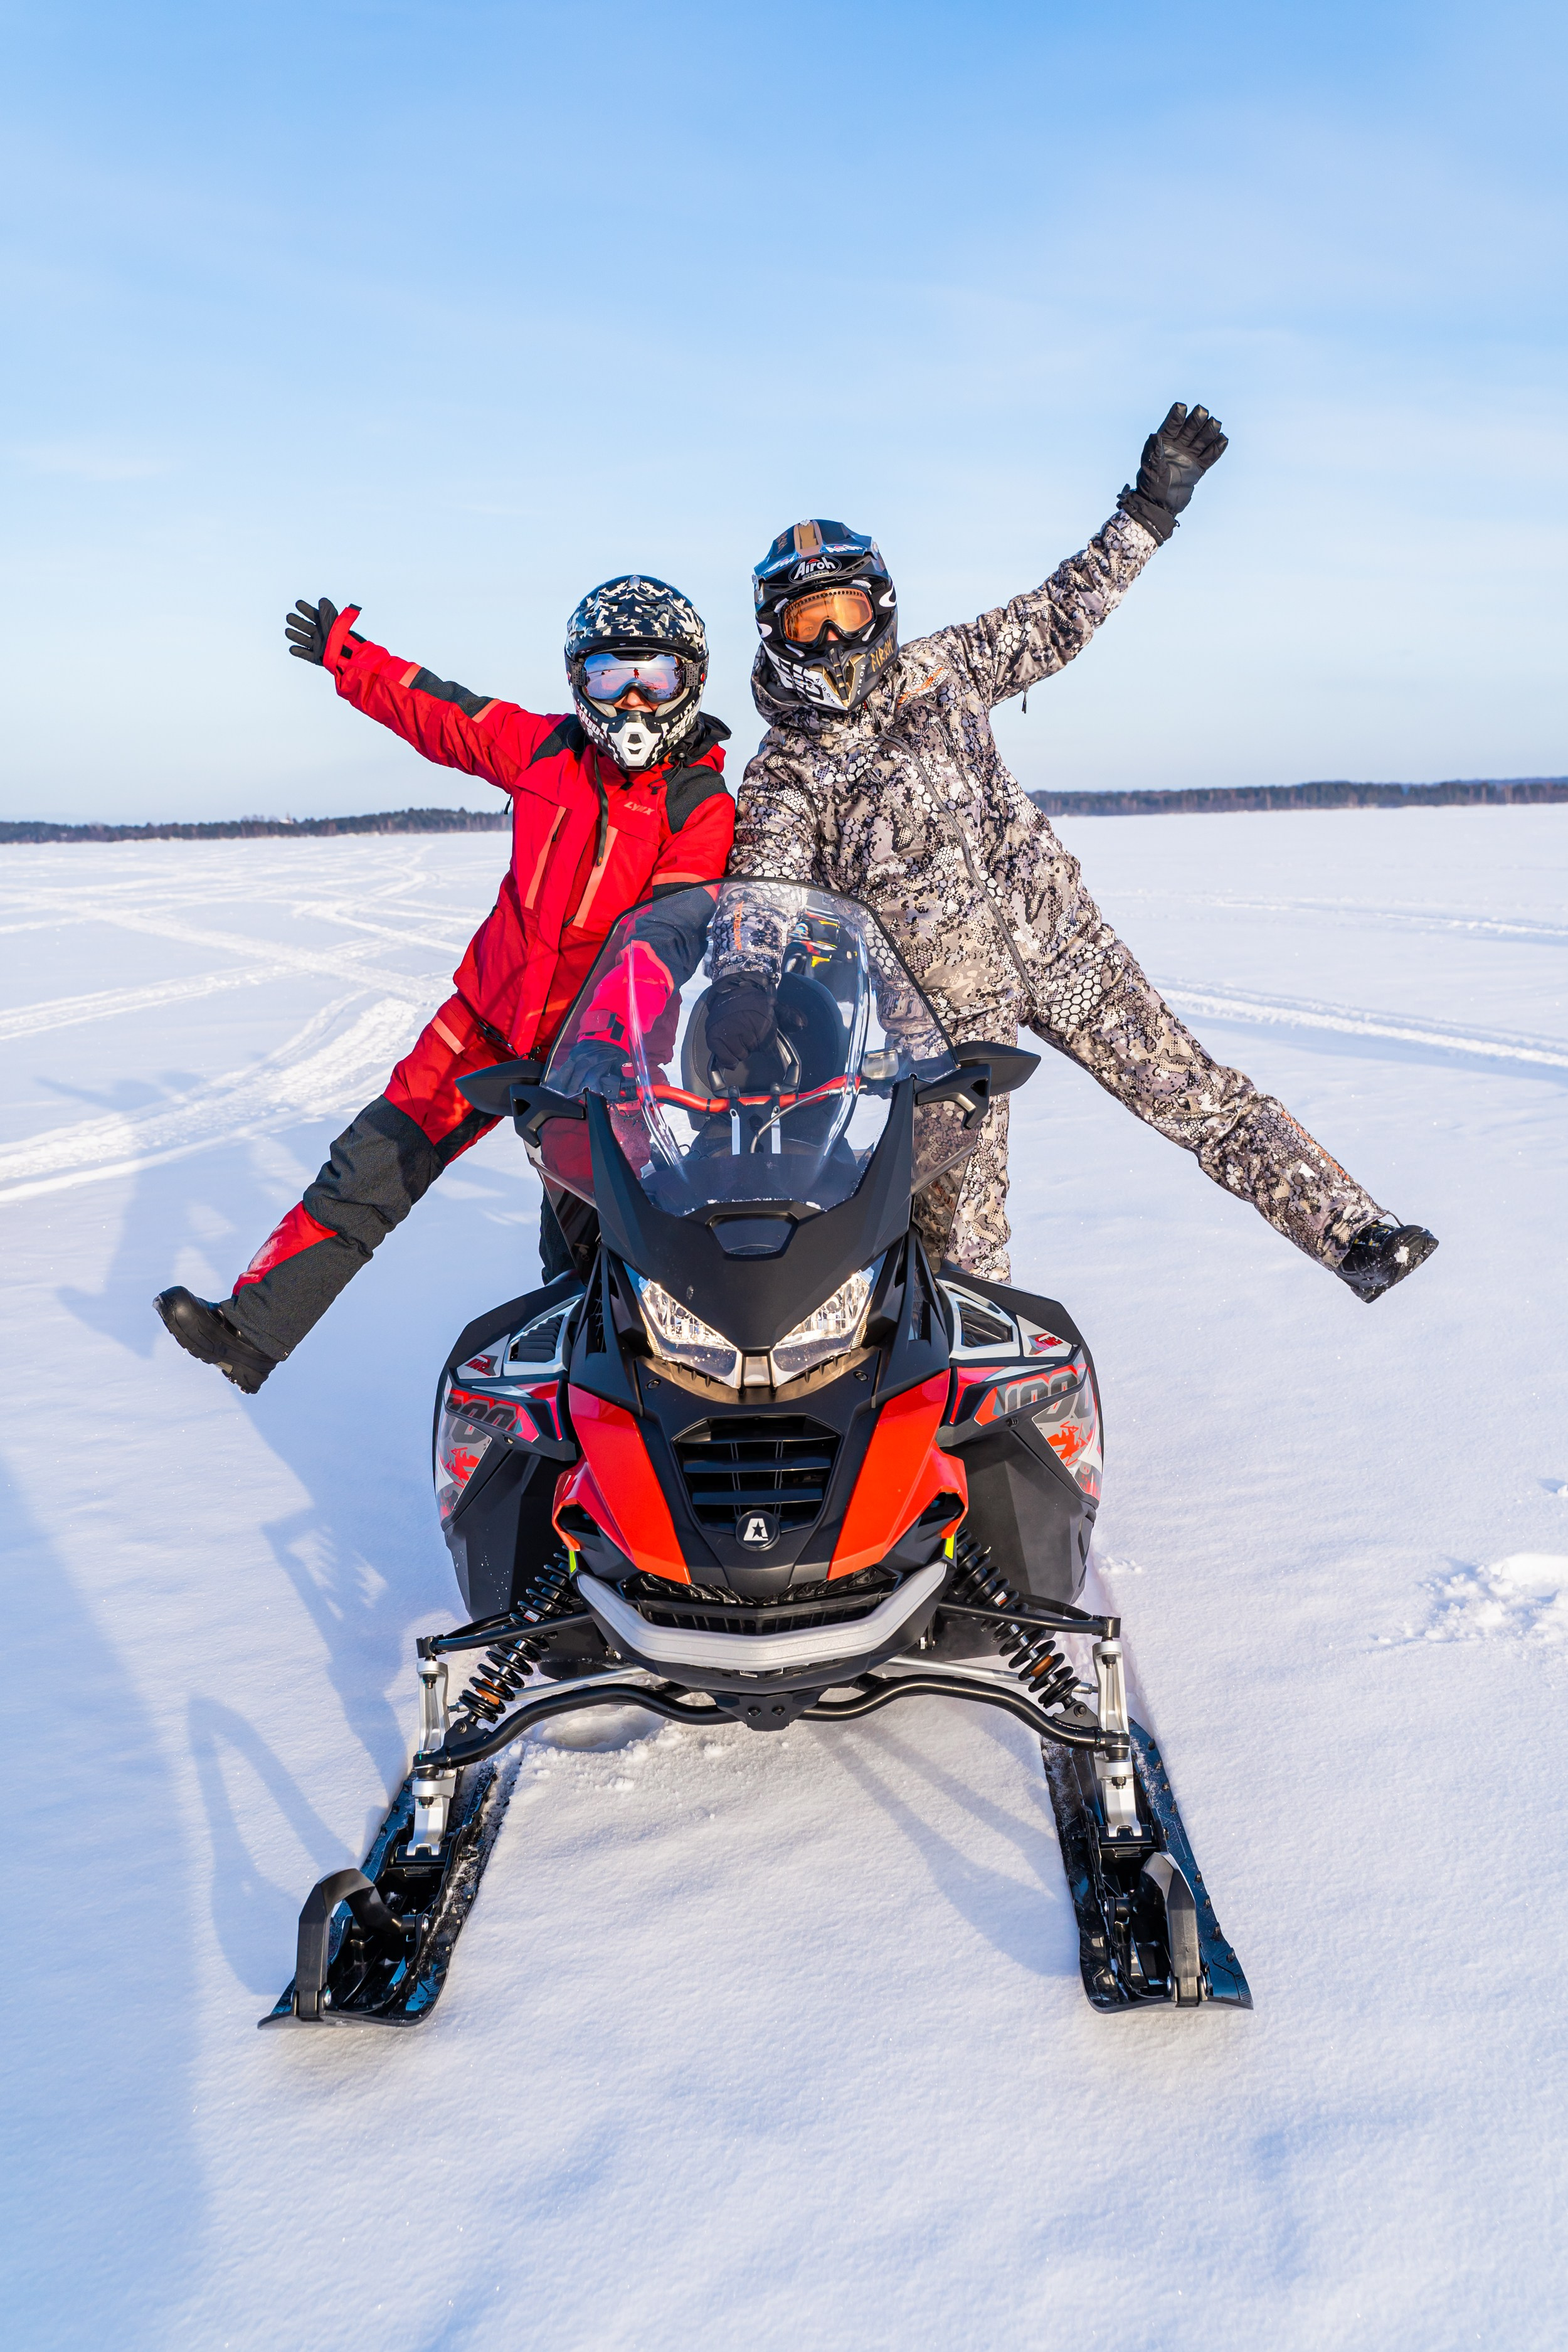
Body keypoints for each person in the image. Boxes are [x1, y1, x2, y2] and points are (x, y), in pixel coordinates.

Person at [706, 403, 1437, 1301]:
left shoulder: (945, 668)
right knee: (964, 1229)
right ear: (775, 633)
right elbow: (763, 894)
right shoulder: (784, 770)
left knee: (1195, 1090)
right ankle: (965, 1402)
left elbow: (1058, 615)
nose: (831, 639)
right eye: (807, 621)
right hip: (937, 1019)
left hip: (1060, 941)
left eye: (845, 611)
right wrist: (741, 986)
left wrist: (1149, 509)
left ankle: (1354, 1232)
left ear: (880, 608)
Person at [156, 576, 734, 1393]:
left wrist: (609, 1046)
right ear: (580, 682)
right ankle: (250, 1331)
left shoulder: (698, 802)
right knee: (369, 1164)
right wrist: (349, 658)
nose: (634, 699)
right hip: (484, 1024)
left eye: (656, 675)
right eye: (611, 674)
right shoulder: (546, 751)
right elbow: (443, 713)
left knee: (590, 1245)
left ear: (691, 681)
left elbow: (670, 937)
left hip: (603, 1055)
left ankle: (598, 1405)